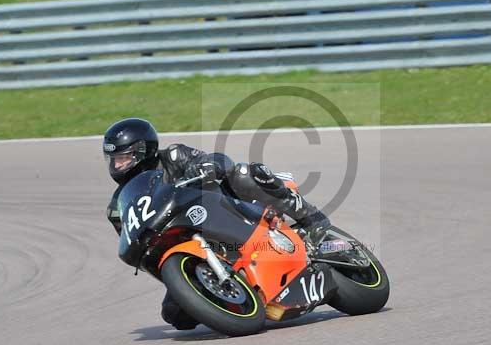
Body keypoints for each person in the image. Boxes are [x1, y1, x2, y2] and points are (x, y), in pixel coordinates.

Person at [102, 117, 330, 330]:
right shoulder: (118, 205)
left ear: (145, 152)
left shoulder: (172, 157)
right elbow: (133, 238)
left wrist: (206, 166)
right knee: (174, 315)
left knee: (243, 172)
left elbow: (218, 160)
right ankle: (229, 297)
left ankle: (311, 219)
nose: (117, 166)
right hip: (183, 242)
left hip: (226, 209)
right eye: (113, 160)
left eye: (124, 158)